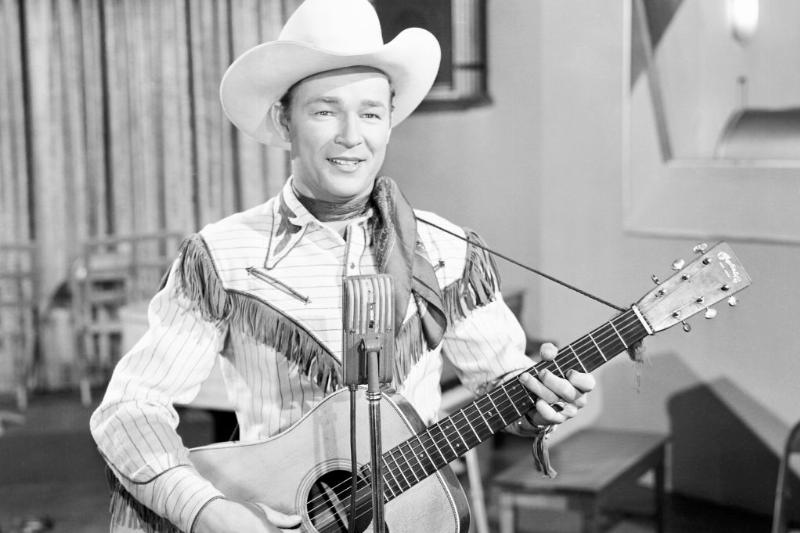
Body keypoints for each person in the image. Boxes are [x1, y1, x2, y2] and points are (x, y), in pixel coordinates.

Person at [90, 0, 596, 531]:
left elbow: (503, 382)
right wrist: (208, 511)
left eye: (372, 112)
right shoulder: (220, 256)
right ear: (285, 120)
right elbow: (128, 411)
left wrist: (537, 402)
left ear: (389, 123)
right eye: (325, 110)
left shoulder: (447, 248)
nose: (352, 135)